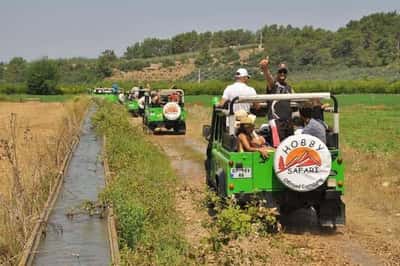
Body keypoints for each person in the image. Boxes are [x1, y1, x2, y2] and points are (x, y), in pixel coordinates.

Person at [259, 57, 293, 142]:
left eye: (284, 72)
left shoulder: (288, 87)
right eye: (280, 71)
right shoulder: (273, 84)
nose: (282, 73)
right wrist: (265, 69)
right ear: (277, 73)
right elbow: (268, 77)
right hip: (276, 121)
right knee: (278, 145)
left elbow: (298, 98)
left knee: (288, 144)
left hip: (288, 121)